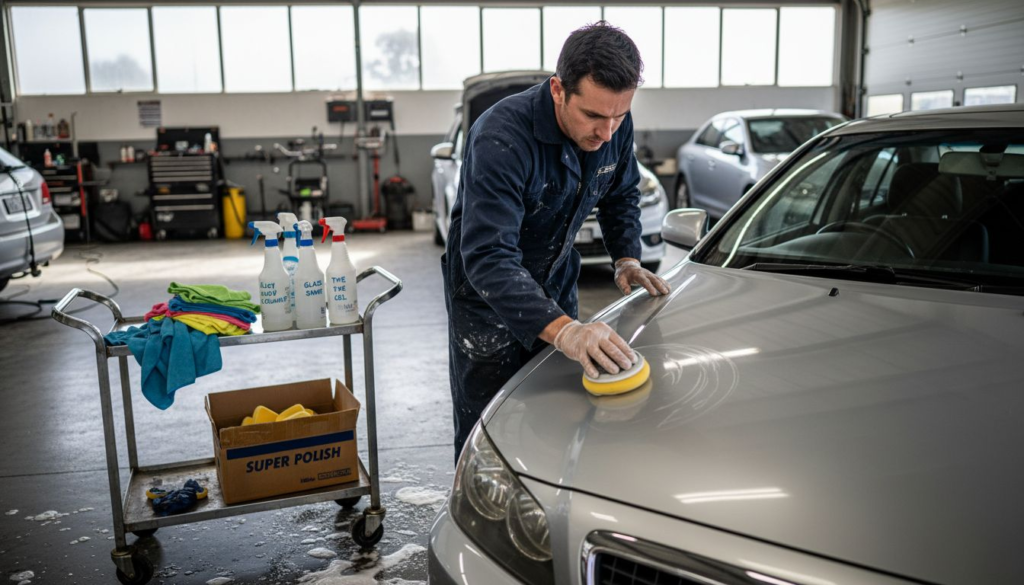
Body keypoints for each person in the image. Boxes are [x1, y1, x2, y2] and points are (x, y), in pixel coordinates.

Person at [442, 22, 671, 458]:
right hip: (488, 302)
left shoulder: (612, 122)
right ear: (558, 90)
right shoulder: (500, 137)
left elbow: (621, 191)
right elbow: (488, 256)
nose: (607, 132)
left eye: (618, 116)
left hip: (556, 281)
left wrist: (626, 258)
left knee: (558, 417)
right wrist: (567, 332)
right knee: (488, 426)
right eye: (593, 116)